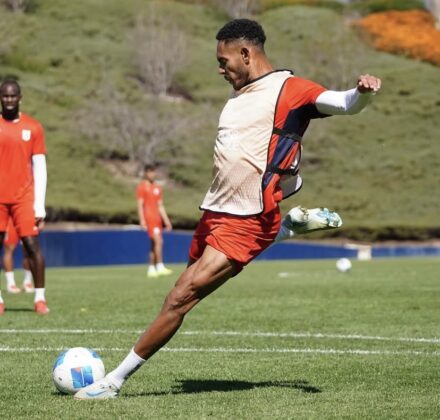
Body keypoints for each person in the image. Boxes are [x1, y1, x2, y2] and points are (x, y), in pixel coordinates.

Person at [74, 19, 381, 399]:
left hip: (248, 218)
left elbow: (345, 103)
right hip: (216, 210)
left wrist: (363, 92)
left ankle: (113, 382)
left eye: (224, 61)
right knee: (182, 289)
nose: (220, 69)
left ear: (246, 54)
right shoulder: (239, 95)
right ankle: (283, 230)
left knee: (180, 298)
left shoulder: (290, 89)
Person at [0, 79, 48, 315]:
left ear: (20, 98)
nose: (9, 99)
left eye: (13, 96)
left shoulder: (34, 127)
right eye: (5, 96)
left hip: (24, 198)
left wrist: (40, 204)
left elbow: (40, 166)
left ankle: (40, 298)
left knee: (32, 246)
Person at [136, 163, 173, 278]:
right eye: (150, 172)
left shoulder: (157, 188)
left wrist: (166, 220)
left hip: (157, 219)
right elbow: (140, 205)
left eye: (154, 172)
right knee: (159, 241)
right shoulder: (142, 187)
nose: (152, 174)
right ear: (146, 173)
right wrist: (142, 220)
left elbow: (160, 205)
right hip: (149, 218)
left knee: (153, 244)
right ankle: (160, 266)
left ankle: (151, 269)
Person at [2, 217, 35, 294]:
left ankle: (27, 282)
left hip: (25, 218)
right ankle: (11, 284)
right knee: (9, 250)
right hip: (10, 219)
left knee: (29, 250)